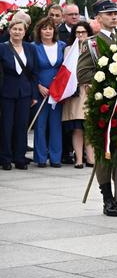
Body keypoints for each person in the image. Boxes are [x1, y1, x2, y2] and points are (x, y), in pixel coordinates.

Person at [76, 0, 117, 217]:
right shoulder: (91, 44)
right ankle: (107, 199)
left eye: (115, 13)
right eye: (108, 14)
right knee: (105, 152)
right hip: (103, 106)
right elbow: (83, 73)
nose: (114, 16)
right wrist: (110, 80)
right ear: (98, 18)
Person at [0, 19, 37, 170]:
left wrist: (34, 94)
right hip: (6, 92)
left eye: (20, 29)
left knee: (22, 126)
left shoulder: (30, 48)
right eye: (14, 29)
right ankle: (5, 158)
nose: (17, 32)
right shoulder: (2, 48)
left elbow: (33, 73)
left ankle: (20, 157)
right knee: (6, 126)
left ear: (24, 32)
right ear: (9, 30)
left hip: (25, 92)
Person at [32, 17, 66, 168]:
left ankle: (55, 158)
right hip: (41, 91)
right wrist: (38, 85)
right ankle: (40, 158)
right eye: (44, 28)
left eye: (50, 28)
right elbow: (30, 70)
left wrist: (59, 86)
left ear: (54, 30)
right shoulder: (33, 47)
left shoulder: (62, 46)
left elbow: (66, 69)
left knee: (56, 124)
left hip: (56, 92)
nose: (47, 31)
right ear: (39, 31)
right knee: (40, 124)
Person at [62, 22, 95, 169]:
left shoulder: (95, 48)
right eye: (77, 32)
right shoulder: (68, 49)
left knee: (90, 127)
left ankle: (91, 158)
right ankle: (79, 159)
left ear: (89, 33)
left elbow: (99, 68)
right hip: (74, 93)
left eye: (83, 32)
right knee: (77, 127)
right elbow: (66, 71)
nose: (80, 35)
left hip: (90, 91)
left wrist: (93, 82)